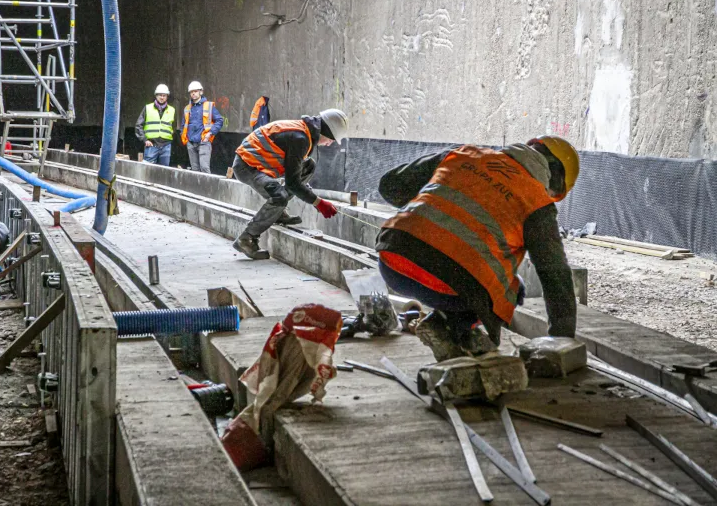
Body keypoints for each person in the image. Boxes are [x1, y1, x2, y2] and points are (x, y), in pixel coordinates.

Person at [375, 136, 581, 361]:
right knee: (512, 288)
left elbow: (390, 186)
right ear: (555, 185)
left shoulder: (463, 154)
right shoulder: (538, 202)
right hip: (452, 288)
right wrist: (563, 342)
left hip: (392, 263)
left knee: (488, 278)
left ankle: (455, 329)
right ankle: (450, 324)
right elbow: (555, 275)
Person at [232, 108, 349, 260]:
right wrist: (318, 202)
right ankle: (246, 239)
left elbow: (295, 175)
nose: (330, 144)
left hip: (261, 164)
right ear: (326, 131)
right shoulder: (300, 138)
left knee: (309, 166)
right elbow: (293, 183)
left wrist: (310, 195)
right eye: (331, 139)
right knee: (279, 196)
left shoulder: (304, 133)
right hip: (247, 166)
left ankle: (278, 212)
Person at [180, 81, 223, 173]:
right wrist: (186, 139)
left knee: (204, 168)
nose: (193, 93)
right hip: (191, 143)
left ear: (201, 92)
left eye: (195, 91)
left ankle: (208, 187)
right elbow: (183, 125)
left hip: (204, 142)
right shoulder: (187, 108)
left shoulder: (208, 106)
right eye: (191, 92)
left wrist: (210, 134)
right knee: (195, 170)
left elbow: (219, 120)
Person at [135, 83, 175, 166]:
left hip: (166, 146)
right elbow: (138, 125)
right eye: (160, 95)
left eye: (164, 95)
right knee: (148, 171)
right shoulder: (148, 108)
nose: (162, 97)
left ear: (167, 96)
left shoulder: (172, 110)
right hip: (151, 145)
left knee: (164, 172)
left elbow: (173, 127)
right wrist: (145, 140)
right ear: (156, 96)